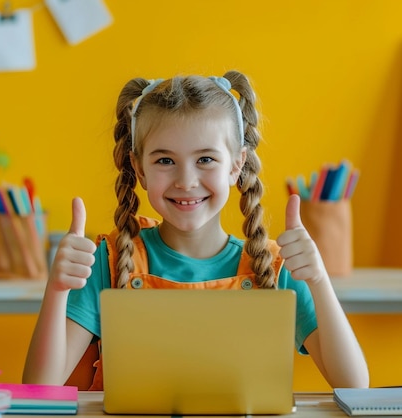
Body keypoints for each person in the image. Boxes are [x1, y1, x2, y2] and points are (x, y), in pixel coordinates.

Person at [22, 70, 369, 389]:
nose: (186, 181)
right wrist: (57, 288)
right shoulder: (109, 261)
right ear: (139, 169)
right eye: (164, 160)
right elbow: (39, 386)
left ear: (236, 166)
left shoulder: (274, 268)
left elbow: (353, 384)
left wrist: (319, 280)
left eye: (205, 159)